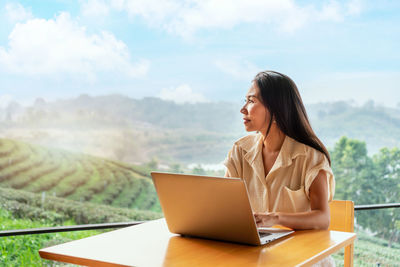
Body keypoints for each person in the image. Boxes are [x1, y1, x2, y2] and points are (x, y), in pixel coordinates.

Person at [224, 71, 336, 265]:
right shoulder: (239, 151)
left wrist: (273, 218)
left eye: (251, 101)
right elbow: (223, 205)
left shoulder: (311, 158)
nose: (243, 109)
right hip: (256, 255)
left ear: (276, 109)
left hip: (304, 257)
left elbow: (322, 218)